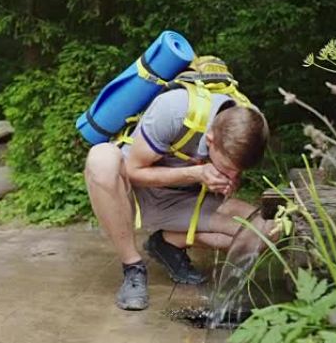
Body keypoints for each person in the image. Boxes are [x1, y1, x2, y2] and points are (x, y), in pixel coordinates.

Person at [84, 87, 270, 311]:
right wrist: (196, 173)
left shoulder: (253, 124)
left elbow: (233, 172)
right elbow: (133, 172)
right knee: (101, 160)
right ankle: (132, 267)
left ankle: (169, 241)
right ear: (210, 140)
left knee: (266, 233)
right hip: (132, 195)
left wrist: (229, 182)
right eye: (229, 169)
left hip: (183, 200)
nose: (232, 175)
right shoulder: (172, 110)